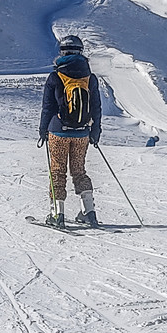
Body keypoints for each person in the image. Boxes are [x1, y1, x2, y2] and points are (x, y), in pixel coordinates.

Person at [38, 34, 102, 227]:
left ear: (62, 52)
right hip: (82, 132)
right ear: (81, 52)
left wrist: (43, 130)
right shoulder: (89, 77)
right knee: (79, 171)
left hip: (58, 131)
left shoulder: (55, 76)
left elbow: (48, 107)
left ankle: (57, 214)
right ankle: (89, 212)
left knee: (57, 171)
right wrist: (95, 130)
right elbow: (97, 107)